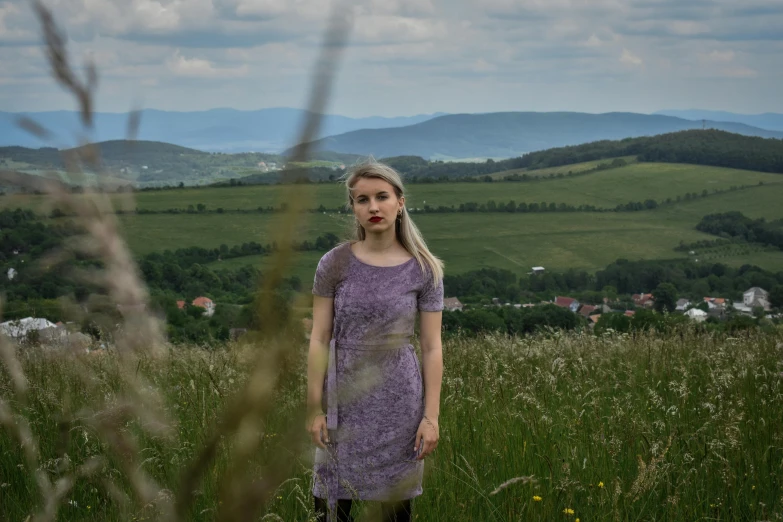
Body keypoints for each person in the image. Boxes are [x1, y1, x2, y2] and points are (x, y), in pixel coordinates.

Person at [306, 161, 444, 522]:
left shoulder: (424, 269)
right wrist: (314, 408)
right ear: (353, 207)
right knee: (329, 510)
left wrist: (431, 418)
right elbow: (319, 339)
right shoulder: (334, 264)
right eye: (362, 199)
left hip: (400, 404)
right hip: (343, 402)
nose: (373, 207)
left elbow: (431, 347)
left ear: (400, 202)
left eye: (382, 197)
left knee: (395, 512)